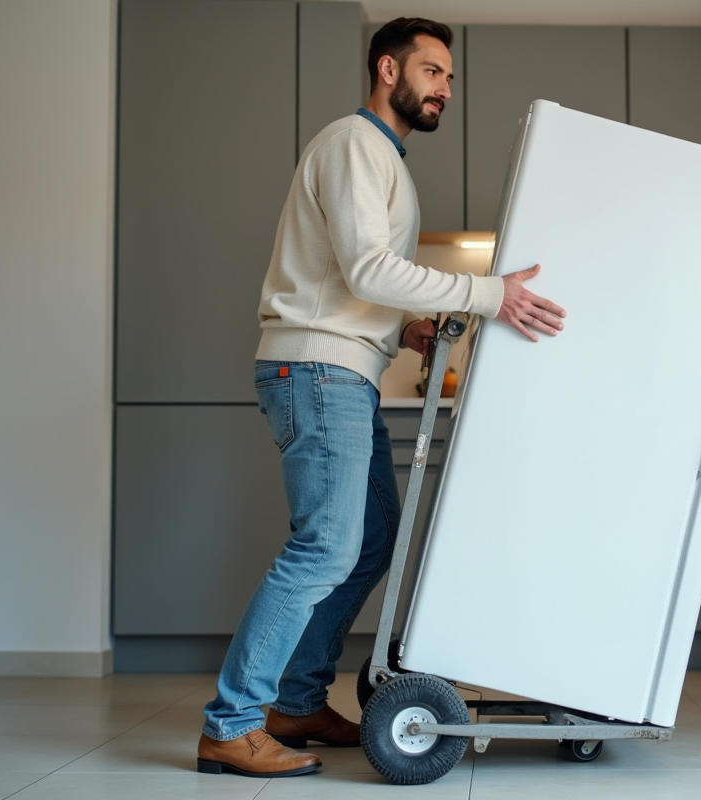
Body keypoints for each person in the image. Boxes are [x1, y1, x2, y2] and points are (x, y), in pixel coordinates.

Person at [197, 17, 567, 779]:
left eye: (451, 78)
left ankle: (294, 702)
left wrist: (411, 329)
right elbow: (367, 270)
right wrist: (488, 293)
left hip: (342, 372)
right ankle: (231, 723)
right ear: (387, 70)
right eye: (432, 71)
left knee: (367, 543)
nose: (445, 88)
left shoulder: (383, 161)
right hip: (318, 371)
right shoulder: (354, 145)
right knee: (326, 547)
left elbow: (352, 280)